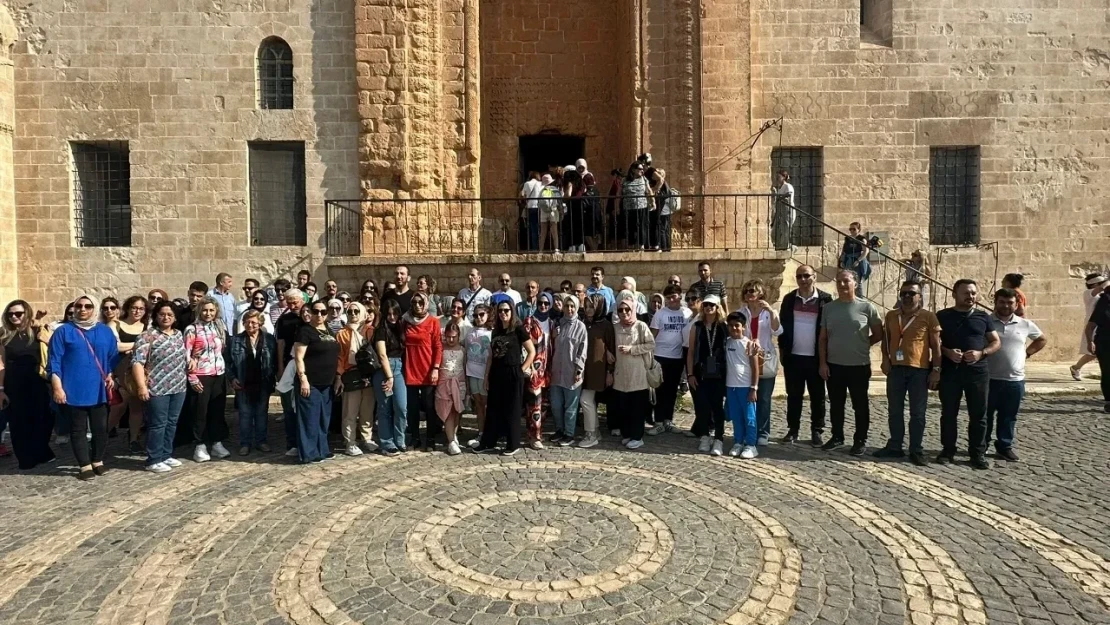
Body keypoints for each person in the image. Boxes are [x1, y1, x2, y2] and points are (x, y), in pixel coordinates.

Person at [48, 295, 117, 480]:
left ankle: (97, 460)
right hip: (73, 387)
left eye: (87, 306)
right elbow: (54, 361)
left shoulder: (105, 331)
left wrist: (110, 374)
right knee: (78, 428)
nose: (83, 309)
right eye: (78, 306)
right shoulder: (63, 332)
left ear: (94, 308)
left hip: (98, 388)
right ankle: (84, 465)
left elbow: (112, 356)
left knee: (100, 427)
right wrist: (57, 387)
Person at [873, 282, 941, 466]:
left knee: (917, 413)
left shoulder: (928, 317)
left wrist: (936, 370)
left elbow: (936, 346)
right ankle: (895, 445)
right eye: (903, 293)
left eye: (912, 293)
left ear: (920, 296)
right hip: (896, 369)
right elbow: (886, 341)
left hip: (919, 370)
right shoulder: (891, 316)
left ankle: (916, 449)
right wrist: (885, 359)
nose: (907, 297)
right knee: (894, 410)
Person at [936, 279, 1001, 469]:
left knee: (979, 415)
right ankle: (948, 450)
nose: (970, 296)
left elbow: (995, 342)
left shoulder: (983, 317)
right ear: (954, 294)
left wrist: (982, 353)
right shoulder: (942, 316)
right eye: (966, 293)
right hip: (951, 372)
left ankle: (977, 453)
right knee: (948, 413)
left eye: (973, 293)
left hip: (977, 373)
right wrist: (947, 352)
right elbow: (933, 342)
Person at [818, 270, 883, 456]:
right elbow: (823, 339)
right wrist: (823, 364)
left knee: (860, 404)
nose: (842, 285)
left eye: (846, 281)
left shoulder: (867, 307)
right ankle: (837, 436)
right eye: (839, 281)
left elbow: (879, 334)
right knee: (836, 404)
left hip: (859, 365)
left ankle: (860, 439)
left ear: (855, 282)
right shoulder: (829, 308)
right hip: (834, 365)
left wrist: (863, 343)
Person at [985, 288, 1046, 462]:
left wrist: (1027, 353)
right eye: (1002, 302)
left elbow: (1041, 339)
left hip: (1014, 380)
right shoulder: (986, 321)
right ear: (995, 302)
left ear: (1016, 304)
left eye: (1010, 302)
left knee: (1009, 416)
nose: (1005, 306)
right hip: (989, 379)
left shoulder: (1025, 324)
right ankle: (981, 445)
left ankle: (1004, 446)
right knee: (985, 415)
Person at [132, 301, 189, 473]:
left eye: (170, 315)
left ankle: (165, 454)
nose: (166, 318)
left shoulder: (178, 334)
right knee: (158, 424)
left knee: (172, 422)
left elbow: (182, 356)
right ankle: (153, 459)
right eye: (162, 314)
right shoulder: (147, 336)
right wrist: (141, 386)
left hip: (178, 386)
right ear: (156, 316)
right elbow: (137, 362)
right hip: (157, 387)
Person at [475, 295, 535, 456]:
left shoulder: (518, 329)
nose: (503, 313)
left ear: (512, 311)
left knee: (513, 409)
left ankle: (513, 444)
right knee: (493, 408)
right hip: (496, 372)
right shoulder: (496, 331)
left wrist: (522, 369)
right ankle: (488, 442)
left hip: (513, 372)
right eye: (500, 311)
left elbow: (531, 351)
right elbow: (491, 356)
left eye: (506, 310)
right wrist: (487, 376)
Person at [778, 264, 830, 446]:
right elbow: (783, 328)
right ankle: (793, 429)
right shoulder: (789, 299)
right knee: (793, 396)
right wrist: (782, 352)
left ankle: (817, 431)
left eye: (806, 276)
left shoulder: (825, 300)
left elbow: (828, 330)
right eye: (799, 276)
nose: (803, 280)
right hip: (794, 357)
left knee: (817, 396)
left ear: (814, 277)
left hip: (816, 358)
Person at [0, 300, 54, 470]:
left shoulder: (36, 331)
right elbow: (1, 364)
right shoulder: (3, 334)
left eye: (18, 313)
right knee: (18, 422)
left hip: (38, 382)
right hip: (14, 383)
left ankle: (41, 451)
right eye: (10, 314)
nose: (14, 317)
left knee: (44, 418)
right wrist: (1, 389)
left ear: (26, 314)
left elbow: (53, 350)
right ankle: (25, 458)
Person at [736, 279, 783, 446]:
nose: (749, 293)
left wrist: (771, 311)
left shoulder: (768, 312)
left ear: (761, 293)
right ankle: (749, 430)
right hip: (745, 359)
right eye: (747, 291)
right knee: (747, 397)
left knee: (763, 398)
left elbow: (778, 330)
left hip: (764, 357)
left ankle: (763, 432)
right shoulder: (741, 312)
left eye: (753, 291)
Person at [224, 310, 278, 456]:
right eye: (247, 322)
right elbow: (227, 362)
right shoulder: (235, 340)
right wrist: (232, 378)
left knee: (261, 413)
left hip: (263, 381)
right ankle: (245, 443)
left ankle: (261, 441)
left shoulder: (269, 339)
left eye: (253, 322)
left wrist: (273, 377)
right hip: (243, 382)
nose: (250, 325)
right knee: (245, 414)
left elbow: (274, 360)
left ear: (260, 323)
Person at [185, 297, 230, 463]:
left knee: (217, 410)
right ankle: (200, 444)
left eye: (211, 310)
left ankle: (216, 442)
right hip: (201, 374)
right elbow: (186, 355)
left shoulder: (219, 327)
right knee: (200, 411)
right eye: (205, 310)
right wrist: (192, 377)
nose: (208, 313)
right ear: (199, 311)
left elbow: (222, 350)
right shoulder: (192, 329)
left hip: (218, 373)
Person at [293, 300, 340, 463]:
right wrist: (303, 379)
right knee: (309, 419)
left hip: (327, 382)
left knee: (323, 418)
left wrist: (338, 377)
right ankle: (309, 453)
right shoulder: (305, 331)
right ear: (310, 312)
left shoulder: (329, 330)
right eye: (316, 311)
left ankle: (322, 449)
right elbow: (298, 357)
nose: (319, 315)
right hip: (310, 382)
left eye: (323, 311)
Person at [104, 295, 147, 453]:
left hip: (137, 372)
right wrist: (137, 345)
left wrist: (130, 348)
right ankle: (102, 436)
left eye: (141, 308)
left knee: (136, 407)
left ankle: (134, 439)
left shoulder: (146, 326)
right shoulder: (115, 324)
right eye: (134, 307)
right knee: (119, 406)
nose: (137, 311)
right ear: (128, 308)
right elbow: (113, 346)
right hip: (117, 371)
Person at [612, 293, 654, 450]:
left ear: (633, 309)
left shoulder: (641, 326)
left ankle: (638, 436)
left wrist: (633, 349)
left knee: (637, 408)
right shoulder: (615, 327)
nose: (624, 313)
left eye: (627, 310)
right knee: (624, 407)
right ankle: (628, 434)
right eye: (621, 310)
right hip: (621, 373)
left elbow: (651, 344)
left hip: (638, 374)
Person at [335, 302, 377, 456]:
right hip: (350, 373)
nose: (353, 314)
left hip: (368, 373)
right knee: (350, 411)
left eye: (356, 311)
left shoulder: (370, 331)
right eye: (350, 311)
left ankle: (367, 438)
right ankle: (350, 441)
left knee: (367, 409)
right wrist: (338, 376)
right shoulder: (342, 333)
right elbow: (339, 357)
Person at [688, 295, 728, 455]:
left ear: (718, 307)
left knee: (718, 407)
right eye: (706, 305)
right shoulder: (696, 327)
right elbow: (690, 351)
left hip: (720, 374)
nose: (708, 307)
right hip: (701, 373)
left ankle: (718, 439)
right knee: (702, 406)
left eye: (712, 305)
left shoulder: (724, 327)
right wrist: (690, 373)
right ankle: (704, 436)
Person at [402, 292, 442, 451]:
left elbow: (438, 346)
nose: (417, 305)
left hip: (427, 369)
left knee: (429, 406)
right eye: (415, 302)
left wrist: (436, 368)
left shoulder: (432, 322)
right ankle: (415, 437)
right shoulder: (406, 321)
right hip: (411, 369)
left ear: (426, 304)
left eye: (421, 302)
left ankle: (431, 438)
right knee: (412, 407)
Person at [649, 285, 691, 434]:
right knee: (660, 390)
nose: (671, 300)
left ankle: (668, 420)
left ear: (680, 296)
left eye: (674, 297)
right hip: (660, 356)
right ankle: (658, 421)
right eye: (668, 298)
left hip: (678, 357)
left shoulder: (687, 313)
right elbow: (652, 335)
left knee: (672, 391)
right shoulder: (660, 314)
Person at [549, 295, 587, 446]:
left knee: (570, 406)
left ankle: (569, 433)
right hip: (556, 371)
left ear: (577, 308)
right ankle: (559, 429)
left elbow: (582, 350)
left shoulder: (580, 327)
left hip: (572, 372)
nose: (569, 309)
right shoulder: (559, 325)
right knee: (556, 404)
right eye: (567, 306)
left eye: (572, 306)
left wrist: (579, 370)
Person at [372, 299, 408, 455]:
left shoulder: (400, 328)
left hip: (398, 369)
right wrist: (389, 377)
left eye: (395, 313)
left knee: (401, 407)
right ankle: (387, 443)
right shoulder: (380, 330)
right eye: (389, 314)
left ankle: (400, 440)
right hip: (384, 371)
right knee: (385, 408)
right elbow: (382, 354)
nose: (392, 317)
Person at [578, 295, 614, 448]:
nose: (588, 310)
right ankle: (596, 430)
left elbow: (611, 350)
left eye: (592, 307)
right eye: (586, 307)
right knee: (589, 401)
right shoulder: (584, 323)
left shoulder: (605, 325)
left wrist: (609, 372)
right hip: (584, 367)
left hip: (597, 369)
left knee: (585, 400)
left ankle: (591, 434)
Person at [725, 311, 761, 458]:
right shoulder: (726, 342)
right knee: (736, 416)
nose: (734, 328)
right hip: (731, 386)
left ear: (744, 327)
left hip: (746, 387)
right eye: (731, 326)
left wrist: (754, 388)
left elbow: (755, 368)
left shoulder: (749, 344)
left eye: (737, 326)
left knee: (749, 417)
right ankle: (738, 441)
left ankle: (751, 445)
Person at [275, 288, 306, 456]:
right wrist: (280, 367)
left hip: (307, 367)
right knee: (289, 407)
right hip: (288, 366)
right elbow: (280, 344)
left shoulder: (309, 317)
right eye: (290, 302)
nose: (293, 305)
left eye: (296, 301)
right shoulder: (283, 320)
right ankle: (292, 442)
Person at [521, 293, 553, 450]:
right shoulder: (530, 322)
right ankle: (534, 436)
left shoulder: (552, 322)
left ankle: (537, 431)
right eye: (540, 303)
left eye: (547, 304)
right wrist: (530, 366)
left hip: (548, 371)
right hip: (535, 370)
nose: (543, 306)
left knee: (544, 404)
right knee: (534, 403)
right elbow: (524, 346)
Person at [435, 320, 467, 455]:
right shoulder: (441, 348)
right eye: (448, 336)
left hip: (459, 384)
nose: (451, 339)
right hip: (444, 384)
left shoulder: (462, 350)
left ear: (459, 336)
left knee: (455, 411)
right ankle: (451, 442)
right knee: (447, 412)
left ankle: (453, 436)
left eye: (454, 337)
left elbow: (465, 367)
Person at [463, 304, 492, 448]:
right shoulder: (469, 332)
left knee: (488, 405)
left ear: (487, 315)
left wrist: (487, 376)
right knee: (479, 405)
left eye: (481, 314)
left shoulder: (491, 332)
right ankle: (481, 431)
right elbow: (466, 354)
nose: (478, 318)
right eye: (475, 315)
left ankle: (489, 432)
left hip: (484, 374)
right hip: (472, 373)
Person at [1072, 274, 1108, 380]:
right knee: (1093, 352)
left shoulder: (1103, 294)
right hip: (1092, 325)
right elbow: (1101, 288)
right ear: (1096, 284)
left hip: (1103, 325)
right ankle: (1076, 367)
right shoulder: (1088, 293)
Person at [621, 161, 653, 249]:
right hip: (628, 207)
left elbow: (649, 190)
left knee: (641, 226)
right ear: (633, 170)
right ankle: (631, 246)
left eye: (642, 169)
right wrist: (616, 207)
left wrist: (652, 201)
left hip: (641, 206)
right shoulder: (624, 180)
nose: (642, 171)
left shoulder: (644, 179)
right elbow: (619, 193)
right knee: (630, 227)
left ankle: (641, 245)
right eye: (640, 169)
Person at [838, 222, 871, 298]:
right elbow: (844, 251)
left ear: (858, 230)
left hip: (858, 261)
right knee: (848, 279)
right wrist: (842, 261)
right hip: (848, 260)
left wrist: (858, 260)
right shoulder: (847, 238)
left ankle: (860, 298)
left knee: (857, 281)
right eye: (850, 229)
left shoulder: (862, 239)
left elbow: (866, 251)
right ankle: (848, 296)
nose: (852, 231)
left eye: (854, 229)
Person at [771, 169, 796, 251]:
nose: (777, 179)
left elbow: (788, 195)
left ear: (784, 177)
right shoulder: (781, 188)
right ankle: (781, 246)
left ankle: (787, 246)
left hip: (788, 211)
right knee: (781, 229)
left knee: (786, 228)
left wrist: (779, 197)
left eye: (779, 177)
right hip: (782, 212)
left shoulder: (787, 186)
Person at [538, 173, 563, 252]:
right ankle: (556, 249)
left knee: (543, 232)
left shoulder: (541, 190)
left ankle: (541, 250)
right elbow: (559, 201)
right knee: (554, 231)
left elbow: (538, 202)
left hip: (543, 212)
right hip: (553, 210)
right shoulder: (554, 189)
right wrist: (561, 210)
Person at [520, 171, 543, 251]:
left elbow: (522, 195)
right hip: (540, 207)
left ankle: (535, 248)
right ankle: (542, 247)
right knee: (542, 228)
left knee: (533, 229)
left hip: (530, 207)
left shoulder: (527, 184)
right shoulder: (541, 184)